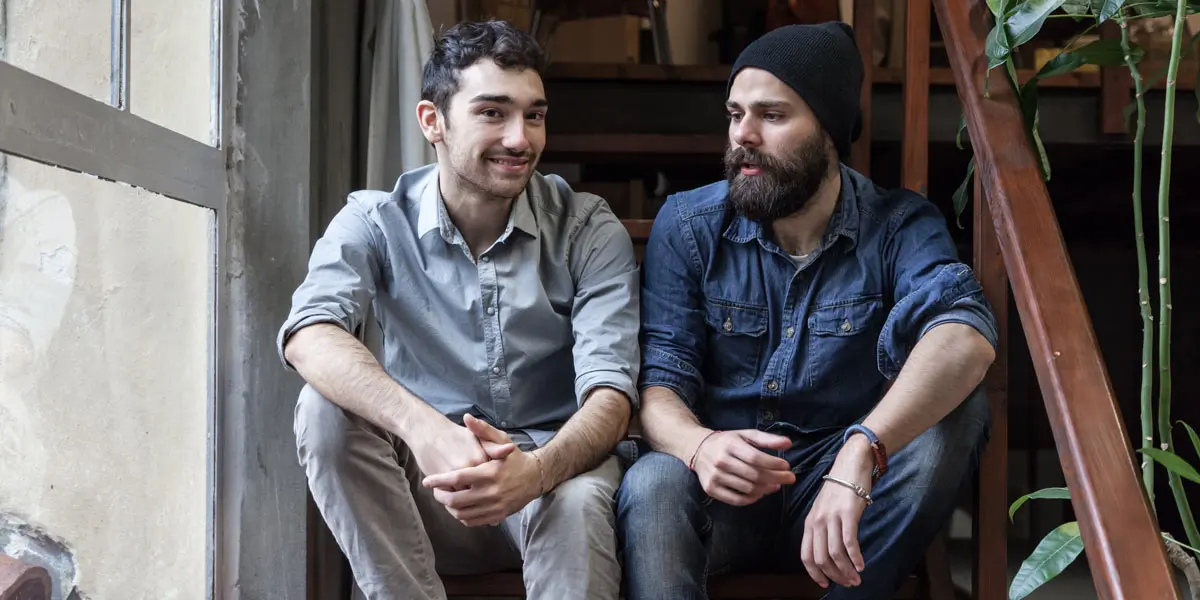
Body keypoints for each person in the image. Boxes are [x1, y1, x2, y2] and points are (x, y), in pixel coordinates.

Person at [616, 22, 997, 600]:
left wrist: (862, 449)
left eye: (771, 116)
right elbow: (659, 382)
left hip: (845, 500)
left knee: (959, 412)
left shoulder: (898, 226)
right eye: (735, 113)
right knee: (652, 479)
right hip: (724, 489)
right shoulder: (689, 226)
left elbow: (964, 336)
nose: (743, 135)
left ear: (829, 132)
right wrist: (698, 446)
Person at [278, 20, 639, 600]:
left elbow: (612, 398)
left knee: (575, 502)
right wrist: (426, 430)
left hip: (554, 477)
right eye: (493, 113)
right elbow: (308, 333)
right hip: (428, 490)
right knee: (322, 410)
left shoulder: (588, 227)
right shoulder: (374, 220)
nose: (521, 138)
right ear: (433, 122)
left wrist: (538, 470)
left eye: (535, 115)